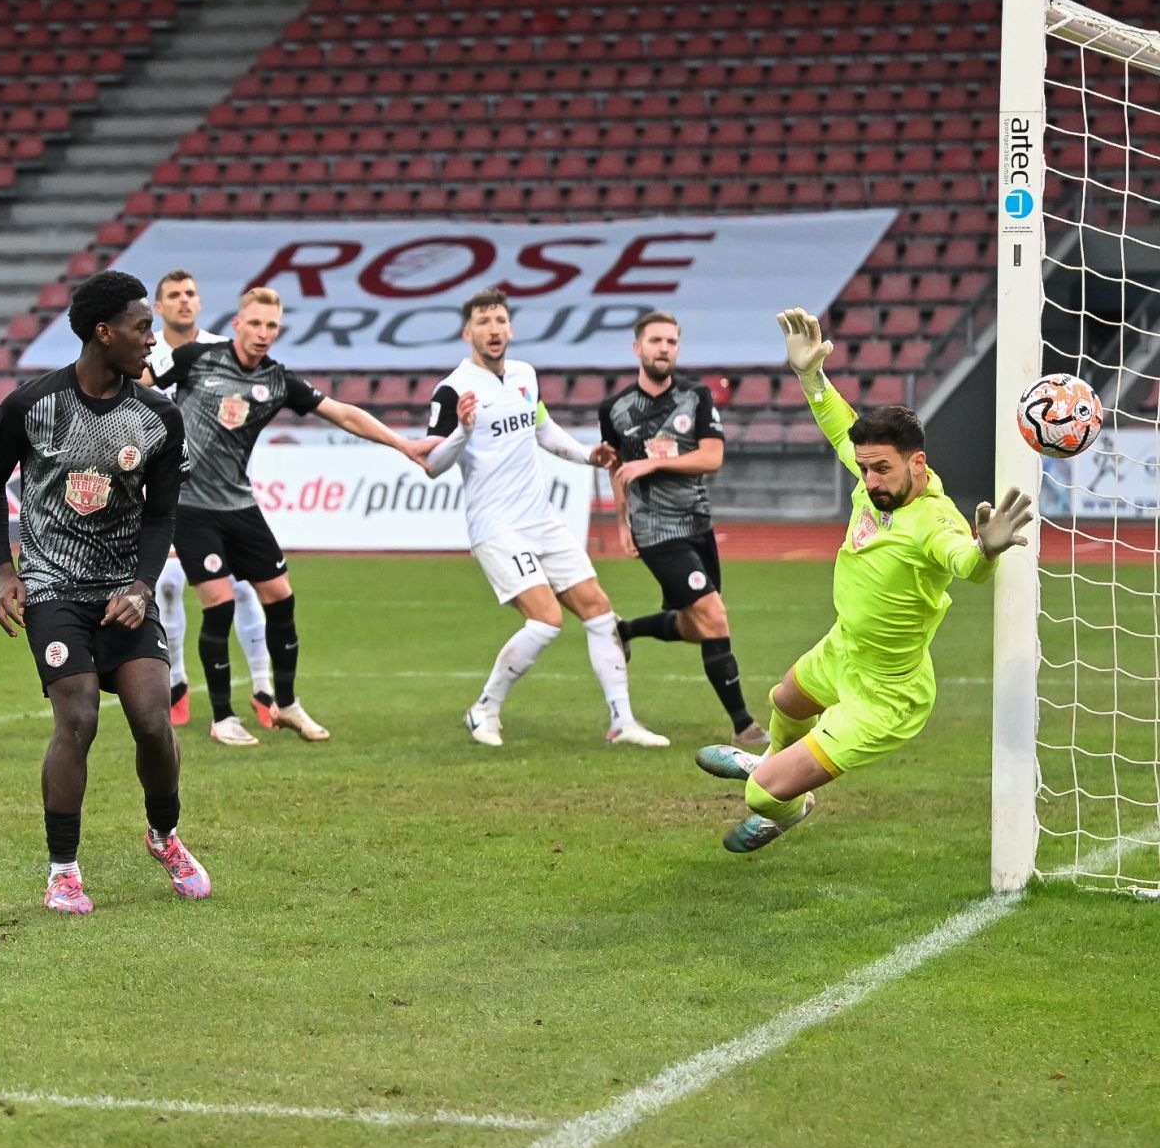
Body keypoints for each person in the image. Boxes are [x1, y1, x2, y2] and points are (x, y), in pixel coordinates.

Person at [694, 309, 1032, 852]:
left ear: (917, 463)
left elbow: (964, 564)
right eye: (865, 467)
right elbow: (837, 422)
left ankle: (789, 806)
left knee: (761, 795)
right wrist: (810, 376)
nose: (870, 480)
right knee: (785, 701)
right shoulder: (876, 479)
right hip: (844, 649)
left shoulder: (934, 521)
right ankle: (772, 760)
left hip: (886, 693)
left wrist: (986, 549)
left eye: (881, 469)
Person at [0, 269, 207, 915]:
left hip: (123, 592)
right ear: (104, 333)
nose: (152, 340)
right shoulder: (30, 404)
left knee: (153, 722)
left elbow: (162, 514)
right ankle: (64, 871)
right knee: (77, 717)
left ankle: (164, 835)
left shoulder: (158, 416)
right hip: (53, 588)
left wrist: (142, 586)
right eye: (142, 327)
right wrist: (5, 571)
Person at [155, 285, 426, 746]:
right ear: (237, 324)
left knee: (280, 596)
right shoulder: (197, 358)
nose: (263, 333)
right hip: (191, 505)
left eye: (271, 326)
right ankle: (223, 717)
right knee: (219, 603)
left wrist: (403, 444)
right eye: (255, 323)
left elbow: (342, 414)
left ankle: (286, 703)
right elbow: (139, 383)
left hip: (239, 503)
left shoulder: (277, 380)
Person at [415, 288, 669, 749]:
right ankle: (484, 709)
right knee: (546, 619)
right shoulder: (452, 390)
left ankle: (622, 723)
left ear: (510, 329)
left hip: (540, 518)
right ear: (467, 332)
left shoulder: (524, 375)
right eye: (483, 322)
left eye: (500, 320)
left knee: (599, 609)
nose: (493, 329)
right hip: (496, 526)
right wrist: (463, 431)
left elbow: (543, 429)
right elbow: (432, 465)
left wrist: (587, 455)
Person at [599, 312, 767, 748]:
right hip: (655, 529)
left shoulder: (696, 396)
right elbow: (616, 469)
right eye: (655, 340)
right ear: (637, 347)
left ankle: (626, 630)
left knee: (697, 627)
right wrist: (622, 522)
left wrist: (652, 462)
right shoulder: (614, 409)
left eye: (671, 342)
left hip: (697, 522)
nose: (664, 348)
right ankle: (745, 726)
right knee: (714, 615)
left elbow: (712, 457)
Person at [141, 268, 272, 727]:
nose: (184, 300)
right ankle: (176, 683)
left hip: (222, 490)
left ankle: (264, 687)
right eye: (174, 294)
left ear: (200, 302)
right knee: (166, 586)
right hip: (161, 490)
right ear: (159, 307)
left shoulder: (224, 350)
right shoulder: (144, 354)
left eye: (191, 293)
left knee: (244, 587)